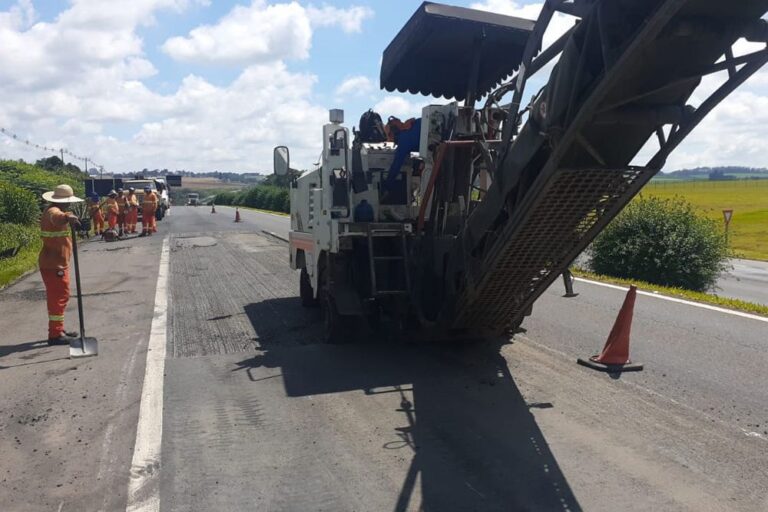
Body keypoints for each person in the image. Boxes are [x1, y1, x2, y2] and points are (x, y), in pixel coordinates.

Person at [39, 184, 82, 345]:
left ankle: (59, 329)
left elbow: (62, 215)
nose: (70, 204)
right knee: (58, 298)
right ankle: (55, 334)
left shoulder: (59, 210)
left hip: (58, 262)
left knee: (61, 296)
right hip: (53, 264)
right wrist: (67, 218)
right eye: (68, 202)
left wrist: (70, 216)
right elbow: (56, 218)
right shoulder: (53, 212)